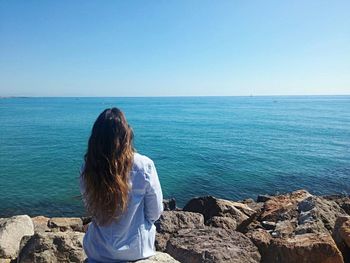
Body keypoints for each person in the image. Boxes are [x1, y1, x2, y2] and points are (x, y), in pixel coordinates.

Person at [79, 108, 163, 263]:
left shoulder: (88, 167)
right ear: (126, 135)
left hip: (99, 251)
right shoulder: (144, 165)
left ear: (95, 138)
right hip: (137, 250)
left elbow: (90, 206)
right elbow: (155, 212)